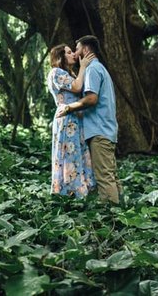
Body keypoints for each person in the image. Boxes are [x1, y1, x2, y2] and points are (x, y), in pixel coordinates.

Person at [56, 35, 122, 204]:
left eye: (76, 49)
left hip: (100, 130)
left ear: (85, 50)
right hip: (106, 129)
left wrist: (70, 107)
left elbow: (92, 99)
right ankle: (122, 212)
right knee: (110, 174)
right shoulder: (100, 68)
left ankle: (112, 217)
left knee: (104, 177)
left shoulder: (92, 69)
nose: (75, 54)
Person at [46, 44, 97, 198]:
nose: (73, 54)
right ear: (61, 57)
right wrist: (83, 66)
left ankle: (80, 191)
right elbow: (76, 87)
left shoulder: (70, 73)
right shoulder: (56, 72)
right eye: (69, 52)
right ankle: (69, 192)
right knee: (68, 154)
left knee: (76, 153)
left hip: (75, 119)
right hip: (66, 118)